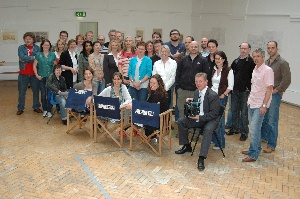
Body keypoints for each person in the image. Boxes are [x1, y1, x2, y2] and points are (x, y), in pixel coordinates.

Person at [175, 73, 220, 171]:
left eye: (200, 81)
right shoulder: (196, 92)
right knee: (181, 121)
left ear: (206, 82)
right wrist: (191, 100)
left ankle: (201, 157)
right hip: (199, 118)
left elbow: (214, 114)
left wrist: (199, 117)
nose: (198, 84)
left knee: (208, 130)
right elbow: (200, 103)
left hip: (210, 120)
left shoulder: (213, 95)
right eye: (196, 81)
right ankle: (187, 145)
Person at [241, 48, 274, 162]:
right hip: (252, 102)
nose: (255, 58)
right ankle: (254, 148)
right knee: (254, 129)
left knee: (254, 129)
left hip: (260, 105)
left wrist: (264, 105)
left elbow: (270, 89)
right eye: (254, 56)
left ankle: (253, 154)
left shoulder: (267, 70)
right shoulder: (255, 69)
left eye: (258, 56)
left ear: (263, 57)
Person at [261, 41, 291, 153]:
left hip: (275, 95)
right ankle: (263, 137)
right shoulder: (267, 62)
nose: (270, 50)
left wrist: (276, 90)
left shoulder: (283, 63)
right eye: (268, 48)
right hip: (266, 94)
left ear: (277, 49)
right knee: (264, 117)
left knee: (272, 120)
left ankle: (271, 144)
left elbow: (287, 80)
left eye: (272, 48)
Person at [227, 42, 255, 141]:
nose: (243, 50)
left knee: (243, 113)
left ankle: (244, 132)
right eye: (241, 48)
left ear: (249, 50)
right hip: (235, 90)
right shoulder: (236, 61)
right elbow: (231, 74)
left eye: (245, 48)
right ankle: (235, 128)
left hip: (245, 91)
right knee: (234, 110)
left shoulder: (252, 62)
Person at [175, 41, 209, 121]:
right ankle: (182, 131)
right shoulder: (183, 59)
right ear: (188, 47)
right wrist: (178, 88)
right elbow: (178, 74)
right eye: (192, 46)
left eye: (195, 47)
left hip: (196, 91)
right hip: (182, 90)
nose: (193, 48)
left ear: (198, 48)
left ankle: (193, 131)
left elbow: (206, 76)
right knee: (181, 111)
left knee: (194, 112)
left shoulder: (203, 60)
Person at [209, 51, 234, 149]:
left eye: (220, 58)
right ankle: (213, 139)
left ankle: (220, 142)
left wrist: (223, 94)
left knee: (220, 120)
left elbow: (230, 86)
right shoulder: (214, 69)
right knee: (212, 119)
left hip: (221, 98)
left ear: (224, 59)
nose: (218, 60)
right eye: (216, 59)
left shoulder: (228, 70)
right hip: (212, 97)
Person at [16, 32, 42, 115]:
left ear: (33, 40)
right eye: (26, 38)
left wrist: (28, 58)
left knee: (36, 91)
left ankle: (36, 107)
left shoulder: (37, 48)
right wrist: (34, 58)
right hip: (23, 73)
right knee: (22, 92)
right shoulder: (21, 48)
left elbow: (38, 58)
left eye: (29, 38)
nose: (27, 40)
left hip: (35, 73)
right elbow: (22, 57)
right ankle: (20, 108)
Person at [33, 39, 56, 117]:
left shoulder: (52, 55)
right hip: (41, 77)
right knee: (43, 94)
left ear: (50, 46)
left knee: (50, 94)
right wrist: (36, 75)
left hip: (50, 78)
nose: (46, 46)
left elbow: (55, 66)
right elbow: (34, 66)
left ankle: (49, 110)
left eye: (48, 45)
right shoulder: (38, 54)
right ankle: (45, 109)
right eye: (45, 45)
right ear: (42, 45)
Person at [144, 74, 169, 142]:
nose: (151, 84)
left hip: (157, 122)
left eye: (154, 83)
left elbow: (149, 108)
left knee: (135, 116)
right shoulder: (160, 92)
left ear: (159, 84)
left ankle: (152, 136)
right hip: (162, 120)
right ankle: (152, 136)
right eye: (150, 82)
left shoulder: (157, 95)